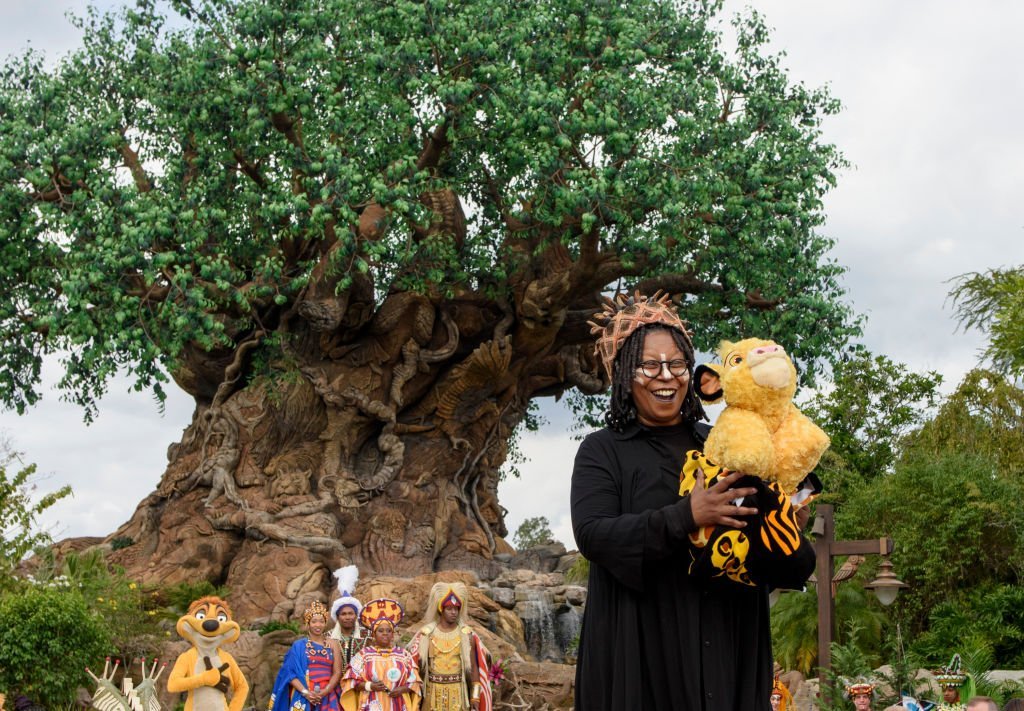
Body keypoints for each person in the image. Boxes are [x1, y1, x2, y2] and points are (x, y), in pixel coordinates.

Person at [571, 291, 815, 711]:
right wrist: (685, 516)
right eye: (650, 365)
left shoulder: (723, 443)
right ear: (625, 373)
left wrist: (788, 517)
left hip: (728, 638)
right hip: (645, 648)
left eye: (677, 364)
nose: (666, 376)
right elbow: (593, 534)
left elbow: (757, 527)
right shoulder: (602, 450)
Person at [409, 582, 492, 711]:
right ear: (441, 609)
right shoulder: (426, 634)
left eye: (456, 609)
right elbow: (414, 666)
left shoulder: (467, 635)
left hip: (458, 693)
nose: (454, 612)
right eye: (449, 609)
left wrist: (475, 697)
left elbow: (475, 667)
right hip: (432, 694)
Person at [340, 598, 422, 711]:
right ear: (374, 634)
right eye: (380, 631)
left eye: (388, 631)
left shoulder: (404, 655)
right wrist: (370, 686)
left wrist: (402, 689)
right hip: (371, 704)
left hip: (399, 704)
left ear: (393, 635)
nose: (385, 634)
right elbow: (351, 682)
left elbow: (415, 681)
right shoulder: (363, 655)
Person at [268, 600, 344, 710]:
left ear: (325, 623)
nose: (318, 625)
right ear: (308, 623)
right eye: (314, 622)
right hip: (304, 693)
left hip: (328, 693)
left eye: (321, 621)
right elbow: (289, 673)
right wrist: (306, 693)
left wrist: (325, 691)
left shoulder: (333, 644)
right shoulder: (299, 646)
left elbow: (337, 672)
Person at [329, 565, 368, 672]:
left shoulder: (368, 636)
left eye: (351, 613)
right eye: (343, 614)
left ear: (356, 616)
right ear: (337, 617)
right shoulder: (327, 638)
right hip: (334, 685)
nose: (347, 617)